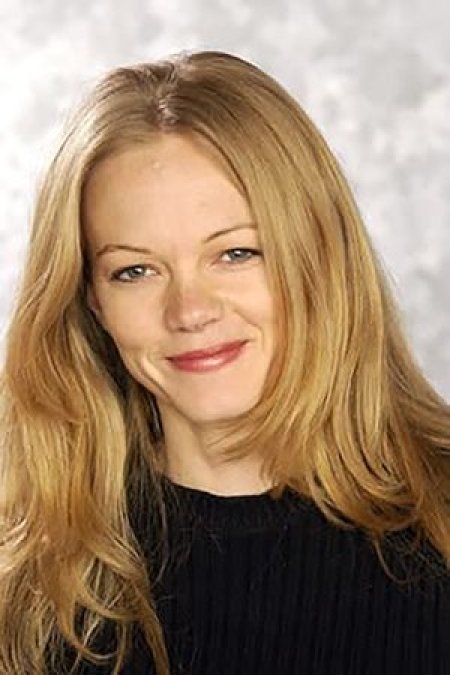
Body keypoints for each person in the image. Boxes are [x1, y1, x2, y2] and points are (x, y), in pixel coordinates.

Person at [0, 50, 449, 675]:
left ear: (320, 259)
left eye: (236, 254)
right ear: (90, 301)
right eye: (135, 270)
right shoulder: (26, 576)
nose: (190, 311)